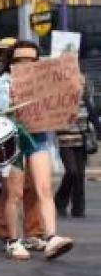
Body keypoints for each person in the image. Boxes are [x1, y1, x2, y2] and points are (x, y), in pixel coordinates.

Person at [0, 41, 74, 260]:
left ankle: (51, 237)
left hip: (38, 137)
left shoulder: (44, 82)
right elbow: (0, 112)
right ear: (11, 62)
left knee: (44, 188)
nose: (25, 65)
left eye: (31, 61)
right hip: (13, 139)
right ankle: (13, 240)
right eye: (20, 61)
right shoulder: (3, 83)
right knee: (15, 193)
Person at [55, 89, 101, 218]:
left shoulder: (84, 100)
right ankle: (59, 201)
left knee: (80, 174)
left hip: (81, 142)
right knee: (71, 171)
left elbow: (93, 118)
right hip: (65, 141)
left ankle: (78, 209)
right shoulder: (58, 100)